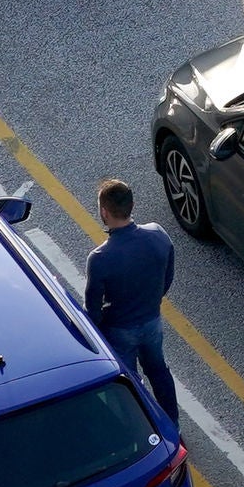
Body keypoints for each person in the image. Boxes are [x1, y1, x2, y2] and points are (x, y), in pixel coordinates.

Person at [85, 178, 179, 422]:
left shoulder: (100, 258)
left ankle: (144, 428)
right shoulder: (158, 234)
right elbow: (167, 276)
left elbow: (93, 308)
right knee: (159, 371)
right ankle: (173, 423)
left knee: (129, 384)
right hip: (151, 321)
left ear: (104, 212)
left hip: (119, 329)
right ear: (132, 205)